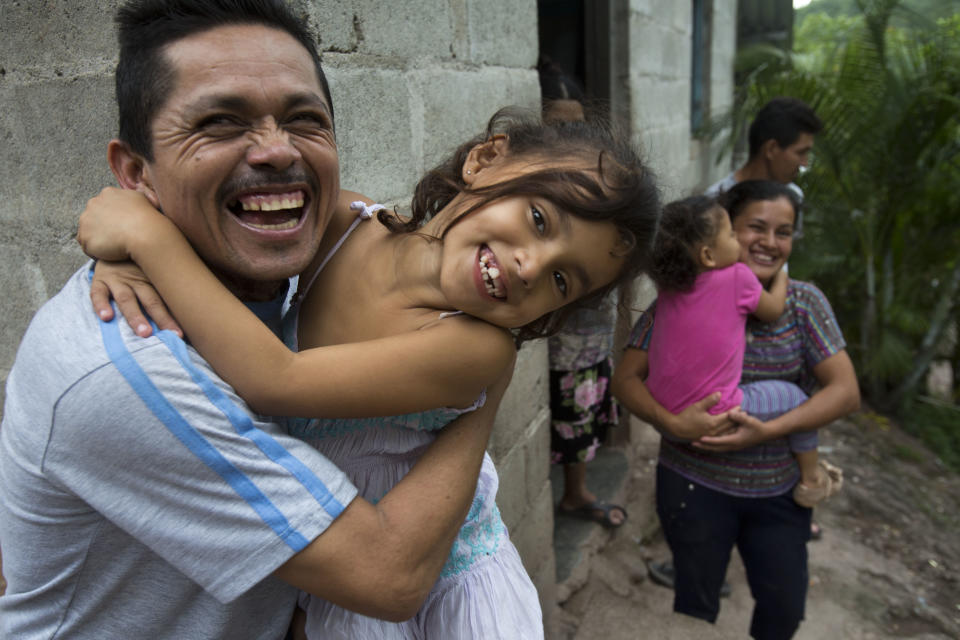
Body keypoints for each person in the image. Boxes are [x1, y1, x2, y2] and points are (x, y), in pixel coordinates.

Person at [0, 2, 511, 638]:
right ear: (136, 174)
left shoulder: (283, 267)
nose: (275, 151)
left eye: (304, 120)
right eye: (219, 122)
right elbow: (388, 576)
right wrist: (486, 380)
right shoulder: (122, 364)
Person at [77, 107, 662, 638]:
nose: (532, 266)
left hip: (441, 589)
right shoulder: (344, 222)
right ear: (486, 160)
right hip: (343, 550)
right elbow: (213, 227)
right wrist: (118, 251)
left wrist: (144, 238)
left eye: (563, 281)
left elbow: (276, 378)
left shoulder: (474, 346)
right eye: (538, 218)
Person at [612, 180, 860, 639]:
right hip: (693, 483)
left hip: (776, 495)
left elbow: (845, 392)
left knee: (783, 607)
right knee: (696, 604)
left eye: (783, 232)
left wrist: (770, 431)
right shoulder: (678, 292)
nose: (770, 242)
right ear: (719, 237)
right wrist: (669, 420)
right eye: (755, 228)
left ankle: (807, 480)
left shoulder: (804, 304)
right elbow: (624, 379)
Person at [645, 193, 842, 507]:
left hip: (666, 416)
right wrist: (783, 276)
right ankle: (811, 477)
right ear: (709, 255)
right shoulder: (737, 278)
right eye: (732, 234)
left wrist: (669, 422)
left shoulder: (669, 290)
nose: (738, 242)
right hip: (716, 414)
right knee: (797, 399)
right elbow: (774, 309)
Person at [538, 59, 628, 528]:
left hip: (591, 324)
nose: (566, 136)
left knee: (581, 406)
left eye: (575, 125)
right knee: (555, 406)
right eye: (555, 125)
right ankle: (570, 492)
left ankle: (576, 492)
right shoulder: (531, 177)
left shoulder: (597, 171)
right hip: (551, 325)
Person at [705, 97, 821, 237]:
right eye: (801, 153)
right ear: (771, 149)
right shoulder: (713, 203)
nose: (805, 163)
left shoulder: (793, 197)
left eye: (782, 232)